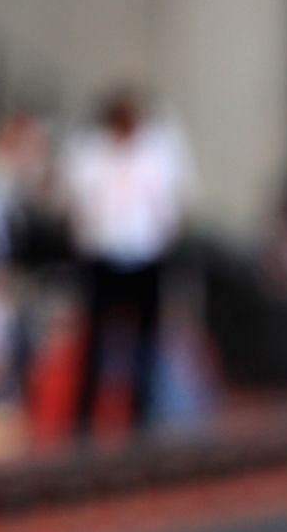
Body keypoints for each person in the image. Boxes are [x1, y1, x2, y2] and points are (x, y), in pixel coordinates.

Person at [60, 86, 194, 438]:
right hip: (102, 258)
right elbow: (75, 202)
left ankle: (141, 417)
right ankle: (84, 421)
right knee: (95, 340)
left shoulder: (156, 153)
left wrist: (163, 234)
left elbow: (172, 199)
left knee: (145, 342)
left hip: (145, 257)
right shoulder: (90, 153)